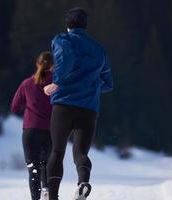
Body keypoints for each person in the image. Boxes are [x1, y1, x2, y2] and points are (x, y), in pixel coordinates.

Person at [44, 7, 113, 200]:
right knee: (80, 152)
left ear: (67, 25)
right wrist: (88, 86)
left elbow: (66, 57)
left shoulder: (62, 39)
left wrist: (57, 82)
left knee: (57, 151)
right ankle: (83, 182)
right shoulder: (99, 49)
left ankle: (53, 197)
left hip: (64, 106)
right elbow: (108, 83)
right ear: (85, 25)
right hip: (88, 109)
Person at [11, 51, 54, 200]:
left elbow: (14, 107)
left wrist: (29, 106)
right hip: (50, 130)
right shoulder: (56, 84)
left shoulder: (27, 84)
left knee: (33, 169)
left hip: (30, 130)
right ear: (53, 66)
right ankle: (47, 190)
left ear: (37, 64)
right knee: (46, 164)